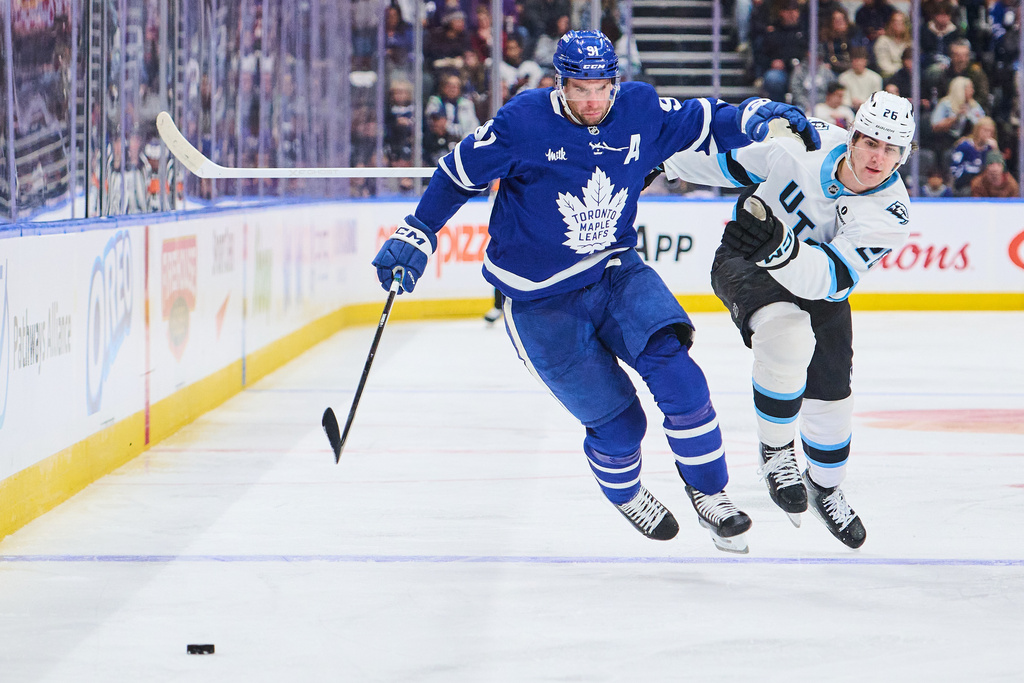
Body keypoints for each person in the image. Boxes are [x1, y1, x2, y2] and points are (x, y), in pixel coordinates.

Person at [370, 30, 820, 553]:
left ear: (615, 82)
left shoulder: (639, 108)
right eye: (578, 88)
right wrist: (418, 230)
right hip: (541, 302)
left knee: (682, 380)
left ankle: (710, 495)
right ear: (558, 82)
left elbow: (704, 119)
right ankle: (627, 493)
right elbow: (458, 174)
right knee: (621, 426)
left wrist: (755, 116)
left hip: (616, 274)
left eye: (600, 87)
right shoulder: (522, 121)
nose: (590, 100)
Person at [662, 90, 916, 549]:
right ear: (852, 136)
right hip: (745, 260)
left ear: (904, 156)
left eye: (892, 149)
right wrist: (665, 164)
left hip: (816, 280)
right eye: (872, 142)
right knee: (787, 337)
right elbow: (735, 165)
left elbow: (828, 279)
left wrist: (782, 249)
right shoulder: (806, 143)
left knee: (833, 404)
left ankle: (826, 486)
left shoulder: (891, 214)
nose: (879, 157)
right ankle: (776, 451)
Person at [949, 115, 998, 196]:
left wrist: (995, 150)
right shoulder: (964, 146)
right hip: (965, 184)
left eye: (990, 132)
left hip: (986, 185)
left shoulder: (990, 148)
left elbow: (998, 170)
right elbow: (954, 169)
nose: (988, 134)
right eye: (985, 130)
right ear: (977, 130)